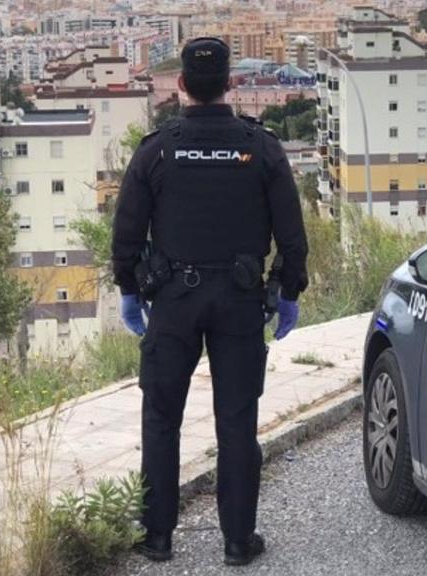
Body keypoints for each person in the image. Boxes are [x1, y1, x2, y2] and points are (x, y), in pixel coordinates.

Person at [110, 37, 309, 566]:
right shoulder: (260, 147)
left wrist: (129, 291)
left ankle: (157, 538)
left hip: (173, 301)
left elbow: (127, 231)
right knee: (237, 420)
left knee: (161, 417)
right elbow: (291, 232)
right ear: (230, 83)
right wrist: (289, 292)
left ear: (180, 86)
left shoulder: (156, 149)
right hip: (241, 303)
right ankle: (239, 542)